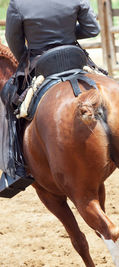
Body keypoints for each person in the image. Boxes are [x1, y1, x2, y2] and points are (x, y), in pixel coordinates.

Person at [0, 0, 100, 197]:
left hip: (40, 61)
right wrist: (68, 32)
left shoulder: (18, 4)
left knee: (10, 99)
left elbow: (14, 40)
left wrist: (26, 59)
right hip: (75, 57)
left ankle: (17, 167)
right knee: (106, 81)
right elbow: (92, 29)